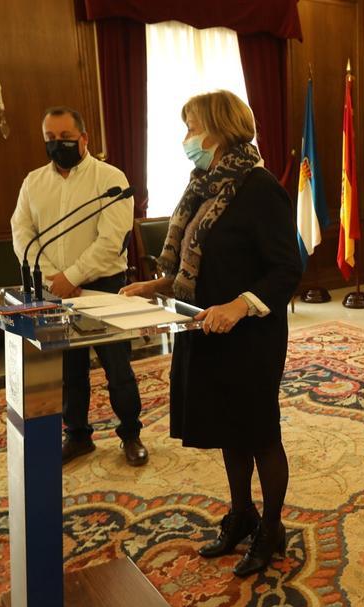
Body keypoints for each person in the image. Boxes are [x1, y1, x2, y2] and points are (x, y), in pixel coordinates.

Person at [121, 91, 301, 577]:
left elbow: (287, 268)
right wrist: (157, 284)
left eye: (192, 126)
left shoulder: (261, 188)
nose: (187, 139)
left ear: (219, 129)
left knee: (259, 432)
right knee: (229, 428)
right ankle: (241, 514)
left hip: (250, 334)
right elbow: (198, 264)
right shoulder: (202, 184)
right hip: (204, 329)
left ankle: (271, 528)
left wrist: (241, 305)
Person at [10, 106, 147, 467]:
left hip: (103, 285)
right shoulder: (33, 182)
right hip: (53, 287)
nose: (58, 145)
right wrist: (53, 277)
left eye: (66, 138)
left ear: (84, 138)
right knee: (69, 371)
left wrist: (71, 277)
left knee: (117, 367)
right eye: (50, 139)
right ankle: (78, 435)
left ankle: (130, 434)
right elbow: (22, 234)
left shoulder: (110, 179)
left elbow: (111, 240)